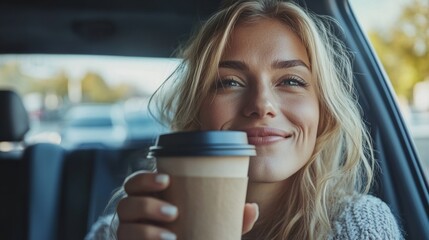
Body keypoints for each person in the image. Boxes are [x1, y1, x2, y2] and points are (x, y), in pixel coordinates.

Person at [86, 0, 403, 239]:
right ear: (197, 109)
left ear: (324, 109)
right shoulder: (121, 230)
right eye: (229, 82)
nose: (262, 105)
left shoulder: (358, 224)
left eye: (291, 81)